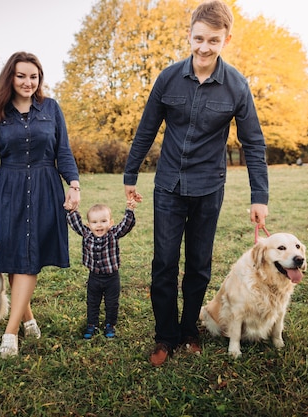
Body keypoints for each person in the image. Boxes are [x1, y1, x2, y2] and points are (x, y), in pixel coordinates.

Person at [123, 0, 269, 366]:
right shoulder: (168, 78)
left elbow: (253, 142)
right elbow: (146, 130)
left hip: (209, 187)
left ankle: (189, 330)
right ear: (189, 35)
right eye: (199, 38)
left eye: (214, 41)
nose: (204, 47)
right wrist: (130, 175)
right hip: (169, 186)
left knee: (199, 265)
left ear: (226, 40)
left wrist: (259, 196)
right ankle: (165, 336)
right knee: (164, 264)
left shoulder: (237, 86)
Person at [0, 51, 81, 358]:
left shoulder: (51, 108)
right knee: (15, 258)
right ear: (10, 77)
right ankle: (28, 317)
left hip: (45, 188)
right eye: (21, 76)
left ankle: (11, 332)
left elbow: (64, 152)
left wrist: (73, 184)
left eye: (34, 76)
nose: (28, 82)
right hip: (8, 191)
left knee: (29, 257)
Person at [66, 200, 138, 339]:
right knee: (92, 302)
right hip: (94, 277)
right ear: (89, 225)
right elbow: (76, 225)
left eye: (103, 221)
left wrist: (129, 210)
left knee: (112, 303)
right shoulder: (87, 234)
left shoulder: (113, 234)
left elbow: (126, 226)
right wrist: (71, 211)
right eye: (94, 222)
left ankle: (110, 325)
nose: (99, 225)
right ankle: (91, 324)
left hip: (112, 278)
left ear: (110, 223)